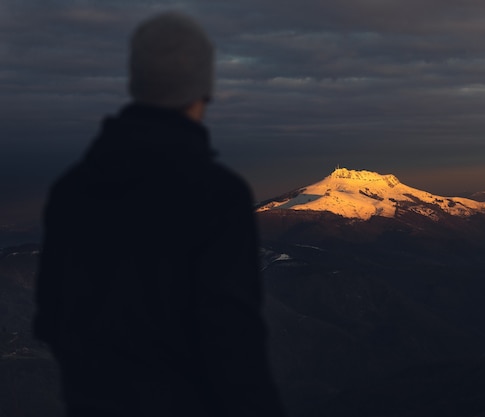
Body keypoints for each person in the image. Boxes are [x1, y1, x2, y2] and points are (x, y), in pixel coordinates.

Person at [32, 11, 285, 417]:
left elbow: (51, 319)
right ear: (203, 88)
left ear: (136, 82)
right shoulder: (217, 195)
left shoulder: (71, 191)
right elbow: (233, 343)